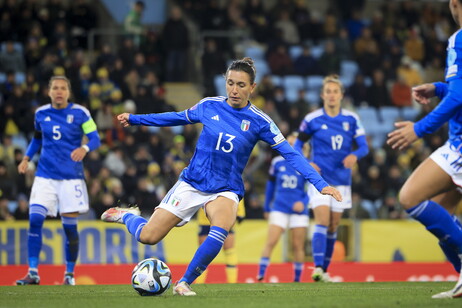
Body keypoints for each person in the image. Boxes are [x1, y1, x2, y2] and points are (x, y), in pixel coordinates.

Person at [101, 57, 342, 296]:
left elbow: (292, 154)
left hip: (225, 188)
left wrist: (320, 184)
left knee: (220, 229)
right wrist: (134, 119)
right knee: (148, 237)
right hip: (192, 182)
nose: (234, 90)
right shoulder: (209, 106)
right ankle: (127, 216)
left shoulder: (261, 122)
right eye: (230, 83)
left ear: (252, 88)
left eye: (241, 85)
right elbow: (174, 117)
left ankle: (184, 282)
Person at [386, 0, 462, 299]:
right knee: (441, 212)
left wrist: (419, 129)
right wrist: (439, 88)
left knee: (409, 197)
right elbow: (456, 91)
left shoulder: (459, 37)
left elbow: (458, 97)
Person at [16, 76, 101, 286]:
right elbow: (37, 139)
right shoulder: (41, 113)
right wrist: (26, 158)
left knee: (69, 228)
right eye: (55, 88)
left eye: (63, 88)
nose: (59, 91)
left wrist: (85, 148)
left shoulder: (81, 113)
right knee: (35, 220)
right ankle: (33, 272)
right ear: (49, 91)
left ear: (69, 92)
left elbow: (96, 138)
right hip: (45, 176)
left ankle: (69, 275)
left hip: (71, 179)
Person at [294, 75, 369, 282]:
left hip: (342, 180)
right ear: (322, 95)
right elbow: (296, 146)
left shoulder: (351, 119)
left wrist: (355, 155)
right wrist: (308, 162)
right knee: (322, 220)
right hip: (319, 180)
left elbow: (364, 146)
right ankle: (317, 267)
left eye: (335, 91)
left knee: (333, 225)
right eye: (328, 91)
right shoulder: (312, 119)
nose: (332, 95)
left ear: (341, 95)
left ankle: (324, 271)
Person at [257, 133, 310, 283]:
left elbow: (312, 190)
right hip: (279, 207)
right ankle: (260, 276)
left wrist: (303, 202)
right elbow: (270, 186)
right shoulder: (277, 162)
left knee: (297, 246)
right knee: (271, 241)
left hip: (298, 211)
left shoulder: (305, 163)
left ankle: (297, 280)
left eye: (295, 144)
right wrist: (267, 207)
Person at [195, 199, 245, 284]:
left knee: (229, 250)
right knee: (204, 252)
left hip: (224, 216)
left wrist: (240, 211)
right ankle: (198, 283)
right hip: (205, 218)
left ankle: (232, 283)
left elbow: (236, 188)